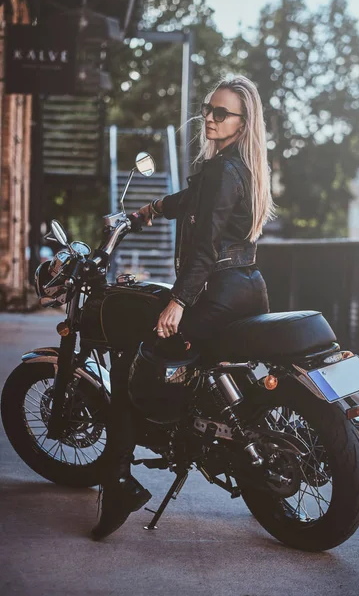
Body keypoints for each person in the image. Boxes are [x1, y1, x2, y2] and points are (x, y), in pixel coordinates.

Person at [91, 75, 275, 540]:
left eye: (221, 113)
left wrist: (177, 301)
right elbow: (191, 201)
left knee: (133, 362)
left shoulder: (222, 171)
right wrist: (146, 211)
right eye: (207, 110)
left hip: (216, 288)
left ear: (242, 121)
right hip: (247, 285)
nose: (209, 119)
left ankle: (119, 485)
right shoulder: (240, 167)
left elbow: (206, 249)